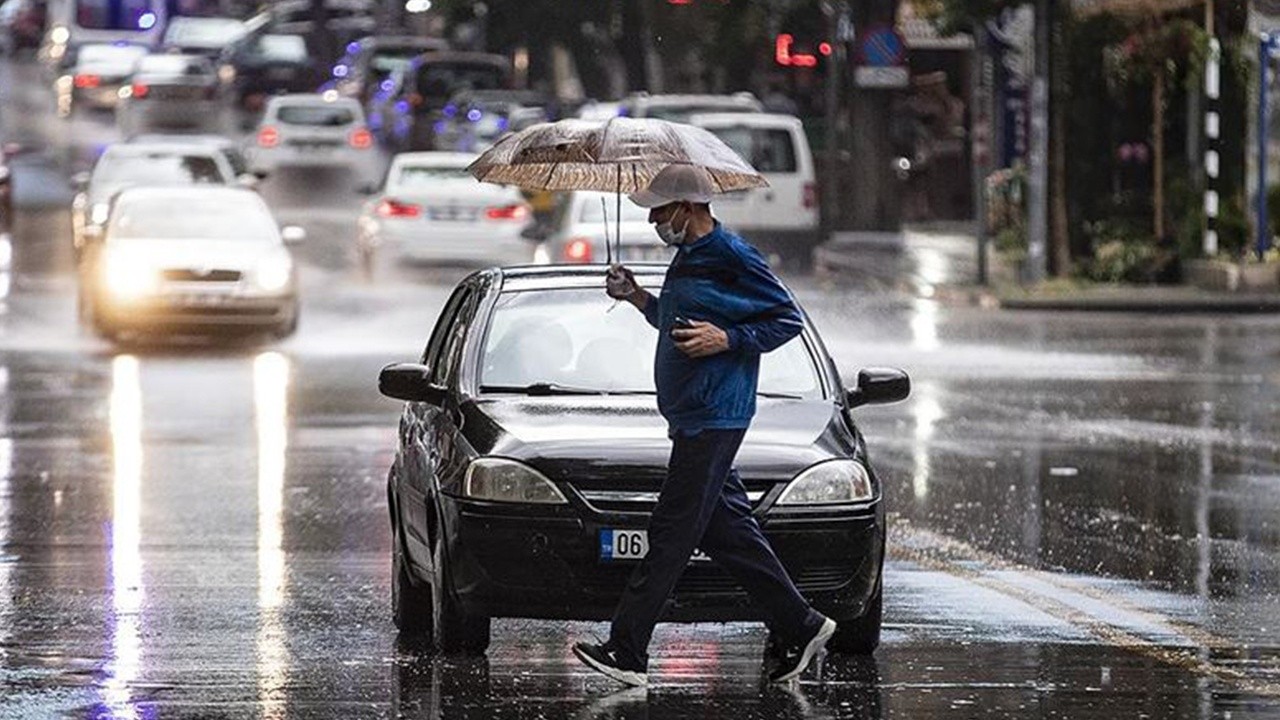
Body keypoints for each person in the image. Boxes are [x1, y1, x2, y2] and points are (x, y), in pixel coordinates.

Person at [572, 164, 836, 687]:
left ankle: (628, 649)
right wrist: (638, 298)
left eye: (659, 212)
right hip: (693, 412)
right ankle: (800, 625)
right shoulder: (688, 258)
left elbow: (786, 319)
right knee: (728, 532)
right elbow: (676, 321)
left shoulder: (731, 254)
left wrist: (729, 340)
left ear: (688, 208)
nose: (652, 222)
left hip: (717, 414)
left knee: (670, 532)